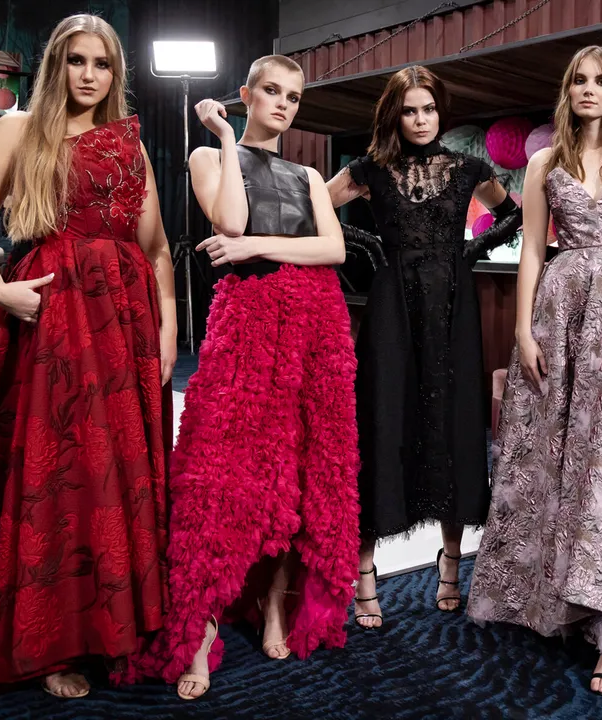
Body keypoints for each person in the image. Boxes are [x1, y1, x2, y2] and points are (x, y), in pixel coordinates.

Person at [0, 14, 177, 699]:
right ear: (55, 65)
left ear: (116, 72)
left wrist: (167, 333)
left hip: (126, 330)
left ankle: (116, 620)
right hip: (53, 323)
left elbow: (158, 250)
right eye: (76, 60)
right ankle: (53, 641)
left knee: (118, 475)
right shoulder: (19, 130)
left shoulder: (130, 145)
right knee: (64, 476)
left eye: (101, 63)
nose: (88, 75)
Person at [117, 55, 359, 702]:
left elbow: (332, 249)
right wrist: (226, 137)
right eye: (271, 91)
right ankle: (198, 627)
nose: (283, 104)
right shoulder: (208, 155)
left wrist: (255, 248)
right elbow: (229, 221)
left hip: (316, 325)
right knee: (220, 475)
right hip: (248, 323)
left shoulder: (309, 175)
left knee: (299, 471)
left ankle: (275, 604)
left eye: (293, 97)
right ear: (247, 95)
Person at [466, 45, 602, 696]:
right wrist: (521, 328)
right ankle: (555, 600)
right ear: (567, 90)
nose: (590, 89)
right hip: (560, 312)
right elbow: (533, 247)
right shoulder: (542, 162)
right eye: (580, 80)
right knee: (555, 454)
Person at [326, 65, 521, 628]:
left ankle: (451, 564)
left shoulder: (470, 169)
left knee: (452, 423)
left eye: (428, 109)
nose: (420, 119)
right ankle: (364, 573)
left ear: (441, 112)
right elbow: (314, 208)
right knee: (383, 420)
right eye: (409, 110)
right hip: (392, 307)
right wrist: (369, 247)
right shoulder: (369, 169)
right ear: (395, 114)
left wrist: (470, 251)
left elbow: (513, 215)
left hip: (454, 310)